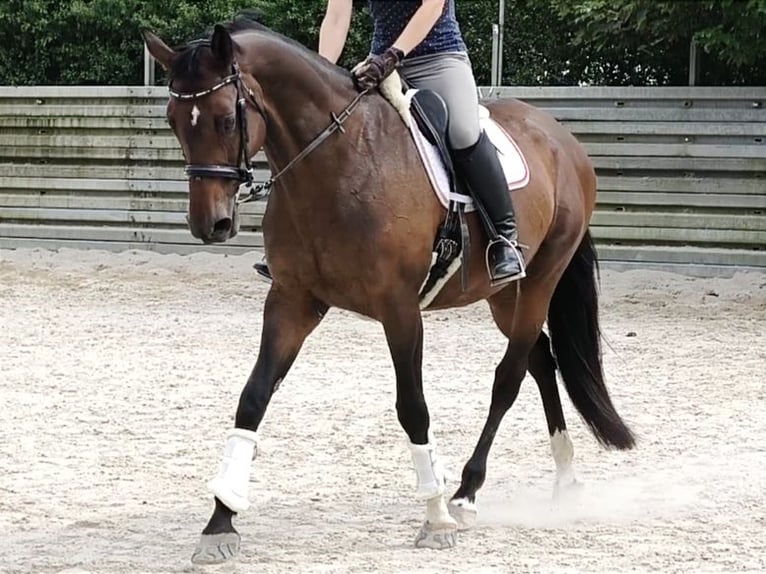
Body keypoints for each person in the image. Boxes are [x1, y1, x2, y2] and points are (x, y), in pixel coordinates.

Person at [255, 0, 525, 286]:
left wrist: (393, 56)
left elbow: (432, 7)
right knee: (326, 130)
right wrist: (319, 76)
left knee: (463, 131)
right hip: (379, 64)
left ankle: (503, 238)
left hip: (438, 59)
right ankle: (297, 240)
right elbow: (335, 17)